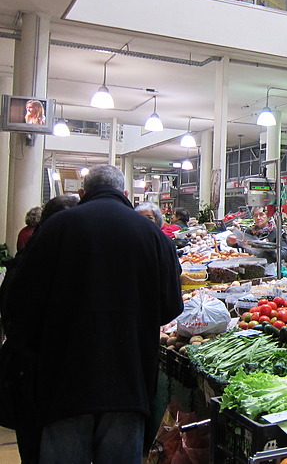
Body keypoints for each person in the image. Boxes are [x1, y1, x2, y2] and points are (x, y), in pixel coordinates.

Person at [0, 164, 183, 464]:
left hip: (64, 382)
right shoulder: (153, 236)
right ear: (125, 194)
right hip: (129, 382)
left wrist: (39, 350)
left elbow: (18, 303)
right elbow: (171, 308)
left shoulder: (55, 229)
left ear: (83, 192)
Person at [0, 193, 79, 464]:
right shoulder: (59, 261)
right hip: (47, 376)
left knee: (34, 448)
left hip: (29, 374)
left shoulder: (26, 257)